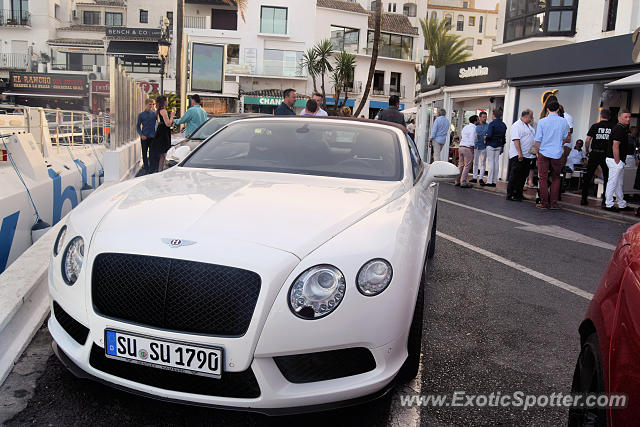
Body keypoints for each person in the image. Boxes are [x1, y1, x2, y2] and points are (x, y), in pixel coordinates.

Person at [533, 101, 568, 209]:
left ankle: (544, 202)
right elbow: (565, 137)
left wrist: (536, 152)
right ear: (558, 109)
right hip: (557, 153)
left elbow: (538, 139)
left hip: (543, 152)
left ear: (547, 109)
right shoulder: (563, 121)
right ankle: (553, 203)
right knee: (556, 178)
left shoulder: (542, 122)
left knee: (542, 178)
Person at [582, 109, 614, 206]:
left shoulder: (595, 126)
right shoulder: (613, 127)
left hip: (595, 153)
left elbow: (587, 140)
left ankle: (584, 199)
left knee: (588, 176)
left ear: (601, 115)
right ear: (609, 116)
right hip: (606, 154)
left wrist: (587, 150)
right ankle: (605, 200)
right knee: (607, 177)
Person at [604, 109, 632, 212]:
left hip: (616, 160)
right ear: (619, 118)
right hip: (614, 160)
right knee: (613, 182)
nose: (628, 119)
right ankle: (609, 204)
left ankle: (621, 204)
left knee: (618, 183)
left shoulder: (622, 128)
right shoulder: (619, 129)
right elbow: (615, 146)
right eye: (626, 117)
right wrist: (618, 162)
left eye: (629, 117)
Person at [506, 109, 536, 201]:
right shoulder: (517, 125)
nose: (532, 119)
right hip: (518, 155)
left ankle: (519, 193)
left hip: (528, 155)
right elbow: (516, 140)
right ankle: (510, 194)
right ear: (526, 116)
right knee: (515, 175)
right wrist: (520, 153)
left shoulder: (529, 127)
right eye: (531, 117)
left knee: (523, 176)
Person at [149, 95, 175, 173]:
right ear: (163, 102)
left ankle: (160, 170)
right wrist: (172, 116)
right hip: (164, 132)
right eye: (166, 100)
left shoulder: (158, 110)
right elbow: (168, 124)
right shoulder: (163, 110)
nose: (167, 102)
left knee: (162, 154)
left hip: (160, 131)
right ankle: (161, 170)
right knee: (164, 153)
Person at [482, 108, 507, 187]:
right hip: (499, 144)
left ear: (494, 115)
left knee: (491, 163)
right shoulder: (503, 125)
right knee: (496, 163)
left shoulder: (492, 124)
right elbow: (503, 138)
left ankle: (489, 181)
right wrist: (502, 146)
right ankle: (494, 181)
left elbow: (489, 135)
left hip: (491, 144)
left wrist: (485, 137)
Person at [455, 115, 478, 188]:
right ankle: (463, 181)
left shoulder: (465, 127)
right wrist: (472, 149)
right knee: (467, 165)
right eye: (478, 119)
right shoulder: (474, 128)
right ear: (475, 121)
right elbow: (472, 139)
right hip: (468, 147)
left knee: (460, 165)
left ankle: (457, 180)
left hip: (461, 146)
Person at [136, 98, 156, 173]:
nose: (151, 106)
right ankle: (146, 169)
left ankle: (151, 169)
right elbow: (138, 126)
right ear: (146, 104)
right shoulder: (141, 115)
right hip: (144, 137)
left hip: (152, 137)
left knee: (152, 154)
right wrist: (141, 135)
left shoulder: (154, 114)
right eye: (150, 104)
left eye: (152, 104)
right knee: (144, 153)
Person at [471, 111, 488, 183]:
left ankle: (481, 178)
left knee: (483, 163)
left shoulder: (488, 126)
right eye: (483, 117)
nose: (485, 118)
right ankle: (474, 178)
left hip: (484, 146)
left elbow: (490, 135)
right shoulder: (475, 126)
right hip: (476, 146)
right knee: (475, 162)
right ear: (480, 118)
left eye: (485, 117)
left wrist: (487, 137)